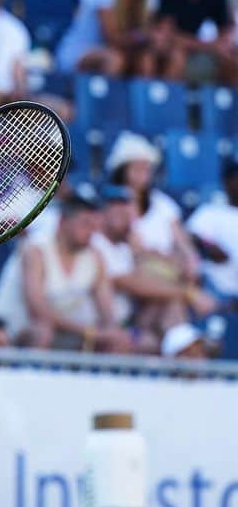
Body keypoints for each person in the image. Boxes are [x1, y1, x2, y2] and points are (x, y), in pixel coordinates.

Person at [93, 182, 214, 349]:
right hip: (106, 325)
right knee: (170, 302)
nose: (124, 213)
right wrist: (188, 293)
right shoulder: (97, 243)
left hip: (134, 318)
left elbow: (164, 267)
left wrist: (181, 264)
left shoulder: (124, 245)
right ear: (101, 213)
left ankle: (187, 350)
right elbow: (131, 282)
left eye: (127, 208)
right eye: (116, 208)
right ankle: (187, 351)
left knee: (170, 302)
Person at [20, 184, 131, 352]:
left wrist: (111, 331)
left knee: (118, 340)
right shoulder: (36, 250)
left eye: (94, 226)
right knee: (42, 332)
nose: (91, 232)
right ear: (63, 221)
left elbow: (107, 311)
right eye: (85, 224)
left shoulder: (95, 256)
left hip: (72, 332)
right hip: (19, 329)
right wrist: (88, 332)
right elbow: (38, 311)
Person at [106, 132, 201, 290]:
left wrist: (190, 261)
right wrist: (170, 261)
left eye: (147, 168)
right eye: (137, 167)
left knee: (175, 297)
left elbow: (182, 242)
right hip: (136, 275)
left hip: (171, 271)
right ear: (122, 170)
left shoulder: (163, 203)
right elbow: (136, 250)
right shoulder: (114, 206)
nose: (143, 172)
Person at [187, 158, 238, 309]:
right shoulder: (211, 211)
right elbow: (189, 236)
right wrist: (209, 245)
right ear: (226, 182)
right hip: (215, 289)